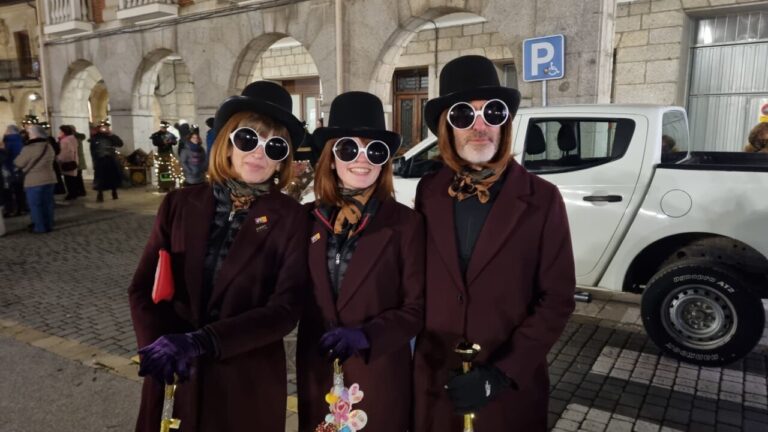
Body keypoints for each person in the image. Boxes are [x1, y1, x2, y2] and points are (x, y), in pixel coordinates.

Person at [129, 80, 310, 432]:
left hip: (244, 382)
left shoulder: (292, 218)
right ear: (227, 144)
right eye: (247, 139)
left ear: (281, 161)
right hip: (176, 374)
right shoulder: (179, 204)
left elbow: (286, 308)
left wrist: (204, 342)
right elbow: (142, 288)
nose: (259, 153)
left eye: (274, 146)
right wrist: (159, 349)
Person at [412, 55, 576, 431]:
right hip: (437, 379)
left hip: (507, 387)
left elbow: (557, 298)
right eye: (463, 116)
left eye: (492, 113)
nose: (479, 126)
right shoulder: (429, 190)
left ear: (505, 125)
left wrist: (500, 374)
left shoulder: (541, 198)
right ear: (447, 128)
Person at [296, 92, 424, 432]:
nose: (362, 159)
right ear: (331, 157)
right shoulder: (305, 221)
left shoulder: (405, 224)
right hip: (319, 375)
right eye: (349, 148)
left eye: (375, 150)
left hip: (378, 374)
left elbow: (417, 308)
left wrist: (368, 335)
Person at [14, 124, 57, 233]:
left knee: (35, 205)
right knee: (48, 203)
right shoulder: (49, 146)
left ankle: (39, 227)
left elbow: (18, 163)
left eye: (28, 133)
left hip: (34, 180)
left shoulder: (29, 148)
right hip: (49, 178)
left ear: (33, 134)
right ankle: (49, 224)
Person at [90, 120, 124, 202]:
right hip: (100, 160)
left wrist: (111, 135)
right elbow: (93, 149)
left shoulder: (111, 137)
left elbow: (120, 143)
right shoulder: (96, 137)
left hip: (110, 159)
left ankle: (114, 192)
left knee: (112, 177)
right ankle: (100, 194)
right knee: (100, 178)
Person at [2, 125, 26, 217]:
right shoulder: (21, 141)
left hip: (8, 169)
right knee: (19, 190)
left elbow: (4, 156)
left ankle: (10, 210)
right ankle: (22, 208)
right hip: (19, 168)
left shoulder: (7, 141)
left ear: (9, 131)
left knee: (7, 191)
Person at [151, 121, 178, 192]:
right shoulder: (156, 135)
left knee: (171, 171)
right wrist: (163, 142)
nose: (164, 129)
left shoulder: (170, 134)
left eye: (165, 127)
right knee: (162, 171)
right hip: (161, 155)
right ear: (160, 127)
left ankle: (171, 185)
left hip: (169, 154)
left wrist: (170, 141)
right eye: (163, 127)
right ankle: (163, 185)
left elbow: (175, 142)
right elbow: (155, 142)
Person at [57, 125, 80, 200]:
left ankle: (71, 194)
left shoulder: (65, 140)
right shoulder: (73, 139)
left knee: (68, 179)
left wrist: (59, 159)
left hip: (67, 162)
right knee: (72, 179)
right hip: (74, 160)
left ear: (64, 132)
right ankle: (74, 193)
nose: (59, 132)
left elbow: (65, 152)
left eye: (60, 131)